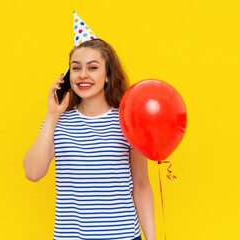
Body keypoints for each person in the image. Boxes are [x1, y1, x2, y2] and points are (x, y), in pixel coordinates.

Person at [23, 38, 156, 240]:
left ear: (107, 76)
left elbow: (141, 184)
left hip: (124, 235)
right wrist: (52, 114)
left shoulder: (129, 121)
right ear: (68, 76)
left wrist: (152, 238)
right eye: (76, 68)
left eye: (92, 67)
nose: (83, 74)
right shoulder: (57, 121)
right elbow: (33, 173)